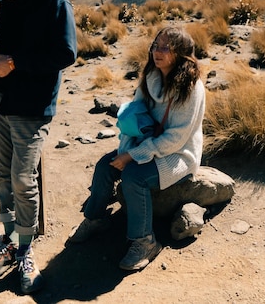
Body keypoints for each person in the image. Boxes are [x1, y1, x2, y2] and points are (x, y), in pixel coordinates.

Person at [0, 0, 77, 294]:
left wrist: (14, 63)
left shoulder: (54, 1)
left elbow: (65, 53)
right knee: (3, 176)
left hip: (32, 106)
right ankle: (10, 240)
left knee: (21, 178)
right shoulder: (8, 3)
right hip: (1, 101)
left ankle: (25, 248)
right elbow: (6, 46)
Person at [68, 26, 205, 271]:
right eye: (156, 45)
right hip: (146, 145)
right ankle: (95, 218)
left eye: (166, 47)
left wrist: (131, 156)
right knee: (104, 166)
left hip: (179, 154)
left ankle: (145, 241)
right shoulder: (150, 78)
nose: (157, 52)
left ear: (181, 54)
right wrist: (126, 150)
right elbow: (135, 118)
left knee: (133, 177)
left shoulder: (192, 88)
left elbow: (176, 138)